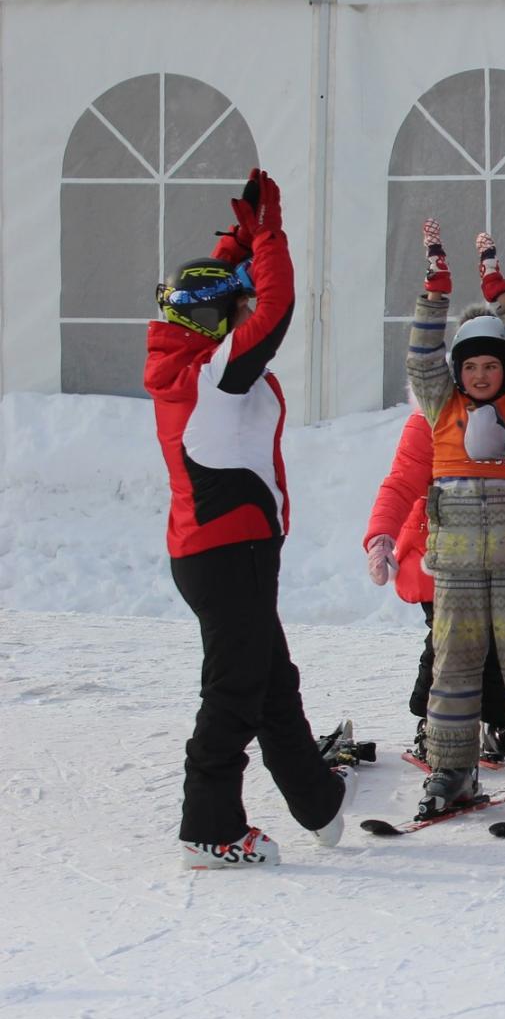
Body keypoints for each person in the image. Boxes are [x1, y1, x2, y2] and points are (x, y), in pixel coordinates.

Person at [146, 169, 351, 868]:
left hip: (220, 549)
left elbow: (216, 297)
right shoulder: (215, 376)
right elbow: (278, 307)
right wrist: (267, 238)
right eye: (222, 314)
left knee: (269, 678)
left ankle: (318, 802)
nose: (231, 321)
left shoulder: (180, 358)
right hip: (228, 550)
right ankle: (209, 826)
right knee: (236, 687)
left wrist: (234, 243)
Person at [404, 219, 505, 821]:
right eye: (469, 366)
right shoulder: (441, 406)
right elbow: (421, 355)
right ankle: (452, 768)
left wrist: (502, 292)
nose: (479, 375)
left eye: (489, 366)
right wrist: (436, 291)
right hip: (457, 570)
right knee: (453, 667)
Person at [362, 407, 505, 767]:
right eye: (470, 367)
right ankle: (434, 725)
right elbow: (401, 481)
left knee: (501, 642)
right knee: (450, 643)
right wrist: (381, 535)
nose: (481, 377)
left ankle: (500, 723)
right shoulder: (431, 418)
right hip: (440, 555)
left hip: (499, 552)